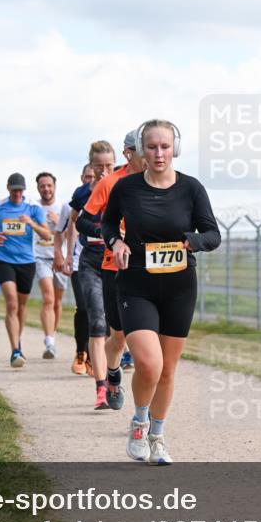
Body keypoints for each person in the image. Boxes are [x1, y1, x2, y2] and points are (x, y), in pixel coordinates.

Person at [102, 119, 221, 465]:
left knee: (168, 369)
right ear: (141, 150)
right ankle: (138, 423)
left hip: (180, 287)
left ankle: (158, 435)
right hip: (136, 283)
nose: (158, 153)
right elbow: (107, 223)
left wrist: (193, 241)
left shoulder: (191, 189)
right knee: (149, 364)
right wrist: (117, 241)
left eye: (164, 146)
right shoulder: (126, 189)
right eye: (151, 147)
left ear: (175, 149)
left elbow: (213, 234)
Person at [79, 131, 148, 409]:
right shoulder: (110, 184)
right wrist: (110, 235)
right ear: (130, 152)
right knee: (117, 336)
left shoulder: (163, 182)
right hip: (112, 266)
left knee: (147, 339)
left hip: (149, 269)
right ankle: (112, 374)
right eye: (147, 149)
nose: (154, 156)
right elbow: (83, 222)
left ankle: (145, 413)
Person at [0, 173, 52, 368]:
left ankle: (18, 342)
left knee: (21, 307)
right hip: (4, 259)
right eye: (14, 189)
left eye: (20, 190)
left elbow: (47, 234)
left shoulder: (33, 208)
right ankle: (15, 350)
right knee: (12, 302)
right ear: (8, 188)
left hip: (27, 261)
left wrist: (30, 223)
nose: (17, 193)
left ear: (24, 190)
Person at [74, 141, 118, 408]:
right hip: (91, 260)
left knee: (118, 328)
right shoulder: (82, 194)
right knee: (98, 323)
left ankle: (114, 376)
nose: (104, 171)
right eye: (99, 166)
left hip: (119, 262)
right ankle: (101, 389)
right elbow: (76, 223)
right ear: (91, 166)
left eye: (109, 166)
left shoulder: (124, 187)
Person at [32, 171, 72, 359]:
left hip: (60, 258)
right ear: (38, 188)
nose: (46, 189)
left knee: (57, 301)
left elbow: (73, 234)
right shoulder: (33, 208)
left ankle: (52, 336)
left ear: (54, 187)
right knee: (48, 298)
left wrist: (59, 224)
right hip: (41, 257)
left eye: (49, 185)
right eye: (42, 186)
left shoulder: (64, 207)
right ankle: (49, 341)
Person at [67, 163, 97, 377]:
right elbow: (70, 228)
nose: (89, 180)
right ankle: (81, 353)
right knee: (84, 307)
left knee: (101, 311)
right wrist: (68, 255)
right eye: (87, 176)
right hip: (80, 260)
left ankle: (97, 358)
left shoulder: (112, 189)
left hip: (104, 258)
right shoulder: (80, 196)